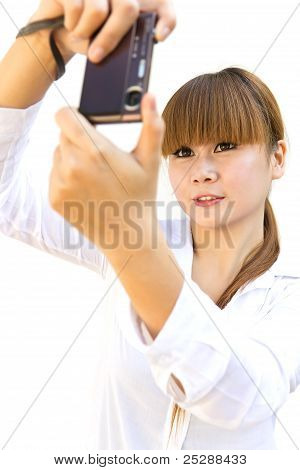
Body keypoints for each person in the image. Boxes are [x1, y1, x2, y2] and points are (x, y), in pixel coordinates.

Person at [1, 0, 300, 451]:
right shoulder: (136, 228)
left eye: (225, 144)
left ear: (277, 157)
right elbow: (7, 200)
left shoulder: (289, 292)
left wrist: (132, 247)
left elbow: (240, 396)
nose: (201, 170)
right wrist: (48, 41)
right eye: (182, 152)